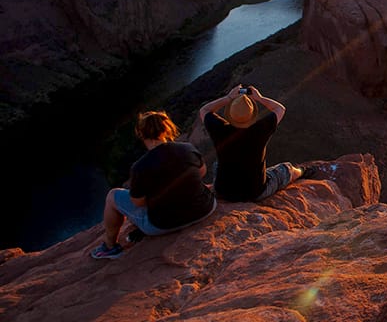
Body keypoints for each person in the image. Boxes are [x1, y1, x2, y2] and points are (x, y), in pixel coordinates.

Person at [91, 111, 216, 259]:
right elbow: (202, 172)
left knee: (113, 196)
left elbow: (138, 202)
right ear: (167, 129)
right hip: (205, 209)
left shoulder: (140, 167)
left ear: (141, 134)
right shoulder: (187, 148)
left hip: (163, 225)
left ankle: (110, 247)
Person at [199, 84, 307, 202]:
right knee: (287, 169)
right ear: (251, 115)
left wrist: (229, 98)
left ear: (230, 114)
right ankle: (303, 171)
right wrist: (259, 98)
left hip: (223, 191)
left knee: (217, 164)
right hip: (255, 192)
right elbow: (280, 108)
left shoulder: (219, 128)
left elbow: (204, 110)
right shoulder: (260, 129)